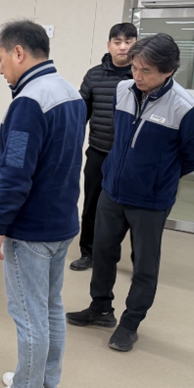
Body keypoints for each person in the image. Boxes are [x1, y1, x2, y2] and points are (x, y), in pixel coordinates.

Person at [66, 33, 194, 352]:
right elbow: (121, 137)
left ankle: (130, 324)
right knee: (102, 252)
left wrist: (157, 177)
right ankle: (101, 308)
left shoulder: (186, 109)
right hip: (112, 191)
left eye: (146, 71)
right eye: (134, 68)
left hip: (150, 201)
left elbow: (193, 156)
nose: (137, 76)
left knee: (144, 264)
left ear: (169, 71)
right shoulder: (122, 90)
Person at [0, 20, 86, 388]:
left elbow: (15, 174)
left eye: (1, 59)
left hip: (32, 228)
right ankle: (45, 385)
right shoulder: (70, 92)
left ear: (19, 53)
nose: (0, 69)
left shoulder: (28, 102)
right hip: (62, 221)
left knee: (29, 313)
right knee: (51, 307)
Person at [70, 23, 137, 271]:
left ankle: (138, 261)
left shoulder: (142, 76)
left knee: (134, 210)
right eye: (117, 42)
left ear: (136, 44)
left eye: (128, 41)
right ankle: (88, 253)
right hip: (99, 152)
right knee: (92, 205)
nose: (123, 47)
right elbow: (81, 115)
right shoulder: (94, 75)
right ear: (109, 45)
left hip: (132, 157)